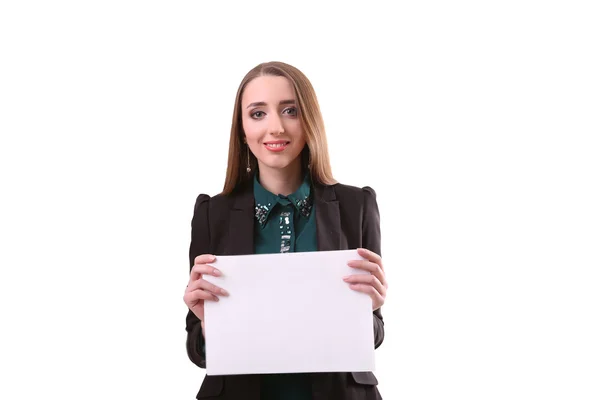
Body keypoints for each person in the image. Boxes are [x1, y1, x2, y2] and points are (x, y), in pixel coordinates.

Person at [183, 61, 388, 400]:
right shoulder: (211, 214)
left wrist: (367, 309)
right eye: (258, 114)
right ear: (242, 129)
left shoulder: (356, 205)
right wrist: (208, 322)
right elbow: (196, 350)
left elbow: (376, 335)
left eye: (290, 110)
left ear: (308, 121)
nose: (275, 127)